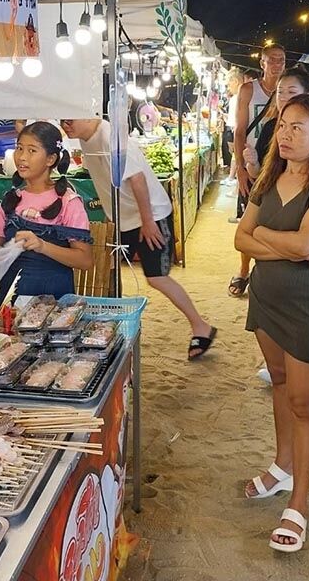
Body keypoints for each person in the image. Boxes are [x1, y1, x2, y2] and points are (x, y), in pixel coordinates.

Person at [234, 94, 309, 554]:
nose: (284, 134)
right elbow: (240, 238)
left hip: (303, 304)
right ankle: (282, 468)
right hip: (266, 297)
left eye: (297, 127)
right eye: (282, 124)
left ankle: (298, 502)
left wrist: (266, 237)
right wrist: (280, 242)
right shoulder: (269, 175)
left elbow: (306, 244)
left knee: (303, 402)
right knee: (279, 381)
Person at [61, 118, 216, 358]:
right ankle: (110, 331)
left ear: (88, 112)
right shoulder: (85, 138)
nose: (65, 124)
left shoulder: (113, 138)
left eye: (69, 119)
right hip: (125, 218)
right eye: (62, 120)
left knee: (156, 277)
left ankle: (201, 326)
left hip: (150, 216)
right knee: (116, 271)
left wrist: (148, 221)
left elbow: (137, 179)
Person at [0, 121, 93, 302]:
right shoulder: (10, 200)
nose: (22, 157)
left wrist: (42, 245)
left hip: (53, 304)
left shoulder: (68, 202)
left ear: (50, 159)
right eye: (19, 148)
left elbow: (84, 260)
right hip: (11, 303)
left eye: (32, 150)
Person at [229, 44, 286, 295]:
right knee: (248, 221)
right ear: (261, 63)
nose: (276, 64)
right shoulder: (248, 90)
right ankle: (243, 270)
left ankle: (269, 272)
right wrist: (240, 168)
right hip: (253, 165)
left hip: (281, 164)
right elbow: (240, 131)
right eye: (271, 59)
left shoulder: (288, 90)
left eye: (281, 60)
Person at [220, 68, 243, 186]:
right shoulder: (237, 97)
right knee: (235, 154)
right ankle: (233, 177)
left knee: (236, 154)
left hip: (234, 129)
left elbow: (238, 117)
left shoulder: (239, 97)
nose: (229, 87)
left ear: (235, 81)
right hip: (233, 128)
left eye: (229, 84)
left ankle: (235, 178)